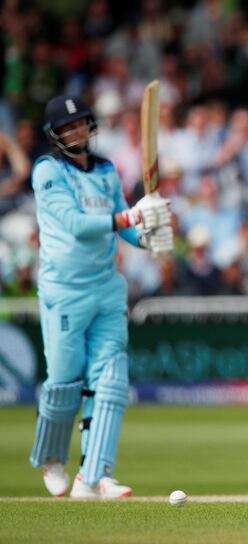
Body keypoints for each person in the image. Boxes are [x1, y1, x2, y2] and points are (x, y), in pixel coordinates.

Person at [29, 94, 173, 498]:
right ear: (55, 135)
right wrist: (128, 217)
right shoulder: (47, 173)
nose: (76, 131)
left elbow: (123, 227)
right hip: (64, 290)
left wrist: (149, 235)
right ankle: (52, 459)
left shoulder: (106, 170)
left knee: (110, 382)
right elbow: (76, 225)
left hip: (107, 287)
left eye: (81, 124)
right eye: (67, 127)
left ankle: (95, 476)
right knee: (63, 385)